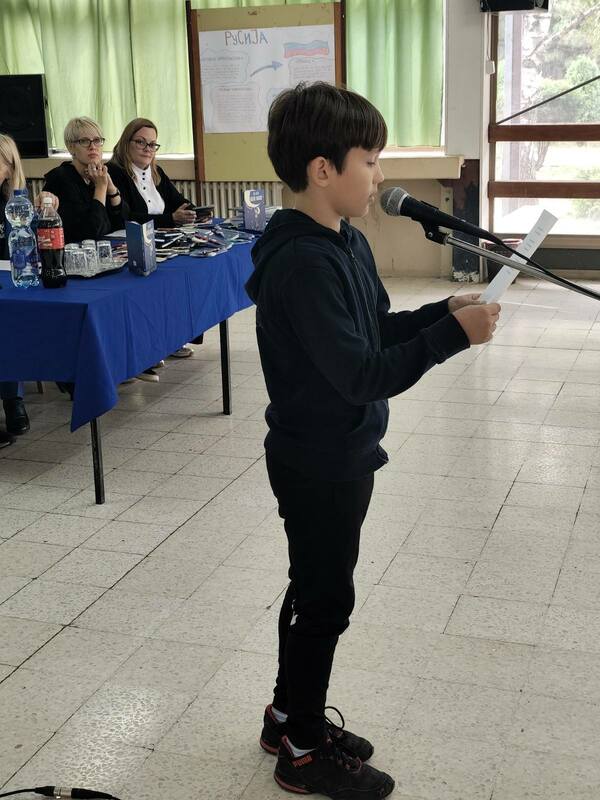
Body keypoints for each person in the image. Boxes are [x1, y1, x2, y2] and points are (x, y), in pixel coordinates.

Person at [245, 82, 500, 799]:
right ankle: (301, 751)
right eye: (371, 160)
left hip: (343, 449)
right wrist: (453, 339)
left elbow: (372, 332)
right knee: (326, 600)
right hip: (318, 459)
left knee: (313, 586)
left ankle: (285, 716)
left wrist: (439, 313)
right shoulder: (302, 262)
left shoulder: (346, 241)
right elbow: (361, 375)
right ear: (323, 169)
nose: (381, 175)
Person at [108, 117, 201, 369]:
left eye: (152, 144)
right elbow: (127, 216)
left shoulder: (157, 173)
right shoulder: (115, 173)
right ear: (126, 143)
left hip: (162, 241)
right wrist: (170, 218)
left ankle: (173, 338)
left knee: (180, 280)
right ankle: (149, 348)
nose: (148, 149)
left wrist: (193, 211)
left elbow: (178, 201)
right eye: (141, 142)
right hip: (132, 244)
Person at [0, 133, 59, 447]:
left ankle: (15, 398)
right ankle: (13, 400)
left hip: (11, 278)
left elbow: (31, 241)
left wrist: (46, 208)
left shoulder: (16, 203)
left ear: (10, 168)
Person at [43, 117, 127, 244]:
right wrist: (100, 188)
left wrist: (112, 190)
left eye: (97, 141)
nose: (92, 147)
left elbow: (124, 224)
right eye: (84, 141)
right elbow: (91, 231)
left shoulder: (101, 174)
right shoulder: (60, 178)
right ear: (71, 147)